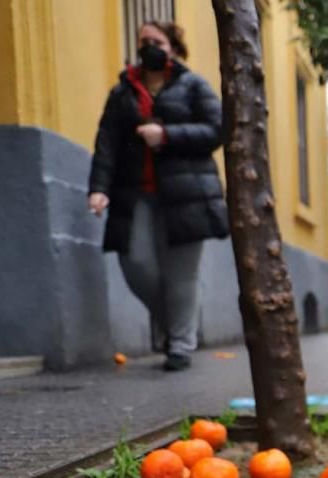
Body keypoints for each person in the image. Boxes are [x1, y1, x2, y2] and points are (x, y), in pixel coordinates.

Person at [88, 21, 229, 371]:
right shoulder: (122, 93)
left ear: (172, 47)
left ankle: (180, 345)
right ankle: (176, 327)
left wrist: (166, 135)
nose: (149, 46)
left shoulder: (193, 84)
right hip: (135, 195)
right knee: (135, 265)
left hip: (187, 193)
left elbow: (217, 130)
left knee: (182, 274)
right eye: (143, 41)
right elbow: (107, 144)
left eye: (157, 41)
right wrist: (98, 189)